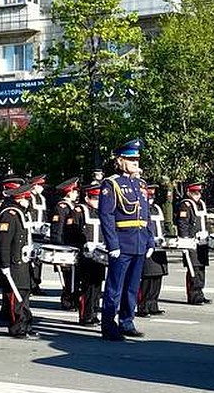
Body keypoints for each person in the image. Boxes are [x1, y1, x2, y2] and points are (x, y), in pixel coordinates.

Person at [99, 139, 154, 340]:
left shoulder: (141, 184)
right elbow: (107, 215)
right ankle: (108, 325)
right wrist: (112, 243)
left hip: (139, 241)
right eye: (131, 159)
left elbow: (145, 216)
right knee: (115, 287)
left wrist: (150, 240)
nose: (135, 163)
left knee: (132, 286)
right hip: (122, 243)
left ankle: (127, 321)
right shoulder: (111, 184)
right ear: (120, 160)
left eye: (137, 159)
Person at [0, 181, 38, 338]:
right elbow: (4, 242)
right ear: (21, 198)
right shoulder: (9, 214)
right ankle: (17, 326)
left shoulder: (21, 212)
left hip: (23, 260)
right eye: (27, 198)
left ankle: (26, 323)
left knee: (24, 295)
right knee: (15, 296)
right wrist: (4, 264)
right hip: (14, 262)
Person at [68, 182, 106, 326]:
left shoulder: (101, 211)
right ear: (87, 197)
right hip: (85, 256)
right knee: (86, 287)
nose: (97, 201)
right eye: (94, 198)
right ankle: (85, 315)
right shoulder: (79, 210)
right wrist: (81, 246)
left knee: (97, 285)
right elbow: (71, 232)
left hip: (100, 254)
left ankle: (94, 313)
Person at [175, 181, 212, 305]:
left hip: (202, 242)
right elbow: (182, 223)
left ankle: (200, 293)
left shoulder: (201, 204)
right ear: (188, 192)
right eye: (195, 192)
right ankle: (193, 296)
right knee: (193, 269)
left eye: (199, 192)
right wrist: (185, 239)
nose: (197, 195)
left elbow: (205, 222)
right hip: (191, 242)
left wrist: (209, 234)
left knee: (201, 269)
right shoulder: (185, 205)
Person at [49, 177, 80, 310]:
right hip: (66, 246)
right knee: (68, 277)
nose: (77, 193)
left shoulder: (72, 206)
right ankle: (68, 301)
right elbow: (58, 228)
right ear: (69, 192)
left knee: (74, 276)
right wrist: (59, 247)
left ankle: (73, 299)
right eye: (75, 191)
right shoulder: (61, 207)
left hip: (73, 245)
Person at [137, 183, 168, 316]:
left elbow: (162, 226)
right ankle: (143, 306)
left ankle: (153, 304)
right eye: (149, 196)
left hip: (159, 247)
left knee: (157, 277)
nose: (151, 199)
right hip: (147, 246)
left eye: (152, 196)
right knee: (147, 278)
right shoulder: (140, 209)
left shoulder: (157, 209)